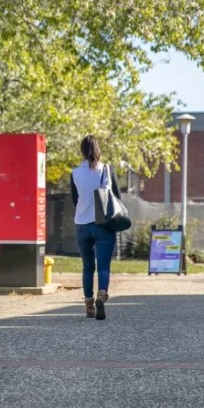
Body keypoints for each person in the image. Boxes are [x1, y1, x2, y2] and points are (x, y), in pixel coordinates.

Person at [70, 135, 121, 320]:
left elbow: (75, 199)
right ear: (98, 149)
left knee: (87, 266)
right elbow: (117, 197)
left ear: (82, 151)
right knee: (104, 266)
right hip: (103, 225)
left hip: (81, 224)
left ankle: (89, 305)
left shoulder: (75, 173)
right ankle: (101, 294)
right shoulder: (107, 170)